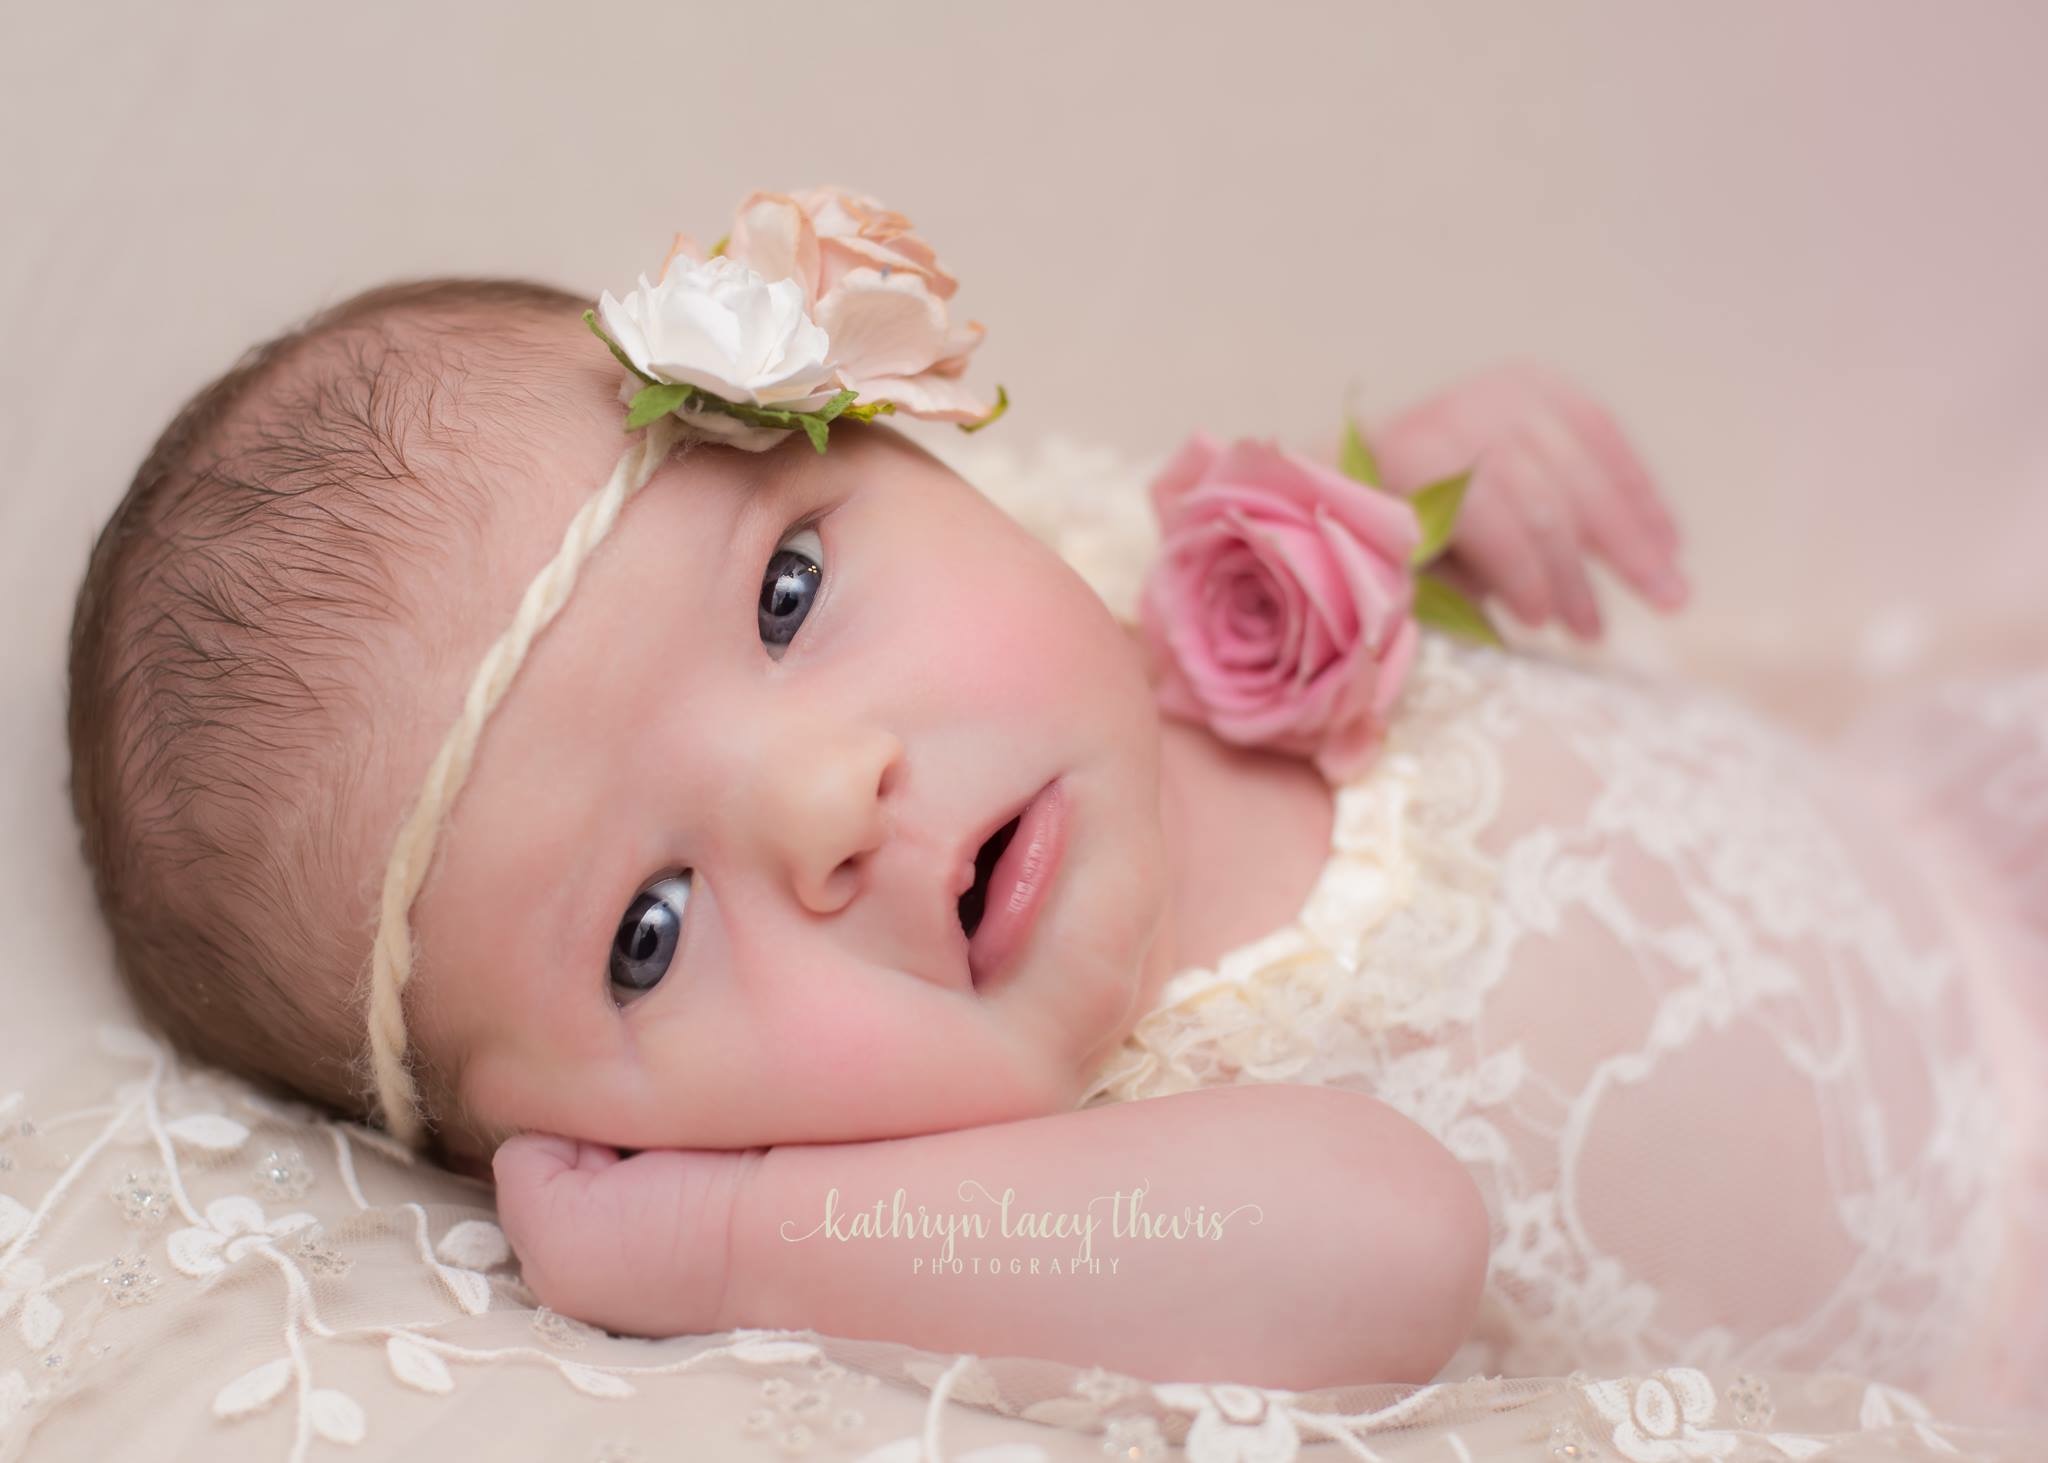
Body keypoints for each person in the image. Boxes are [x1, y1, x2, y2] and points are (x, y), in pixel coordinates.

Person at [63, 189, 2045, 1408]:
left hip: (1968, 849)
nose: (826, 805)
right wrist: (731, 1251)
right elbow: (1390, 1240)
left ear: (897, 447)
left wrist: (1418, 519)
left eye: (785, 593)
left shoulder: (1107, 597)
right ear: (596, 1146)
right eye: (647, 935)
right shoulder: (1039, 1197)